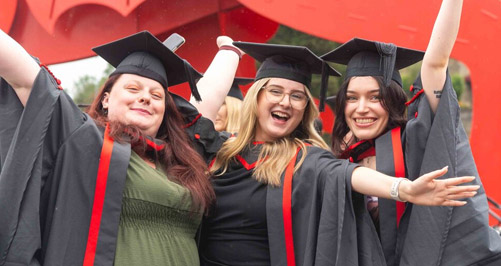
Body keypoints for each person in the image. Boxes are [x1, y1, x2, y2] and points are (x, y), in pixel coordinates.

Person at [190, 40, 478, 266]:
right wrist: (229, 52)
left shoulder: (303, 158)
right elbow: (194, 116)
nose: (286, 102)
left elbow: (349, 174)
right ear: (256, 97)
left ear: (305, 109)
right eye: (275, 91)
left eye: (297, 96)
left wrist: (404, 189)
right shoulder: (218, 151)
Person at [0, 30, 221, 265]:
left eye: (157, 95)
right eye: (133, 89)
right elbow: (28, 80)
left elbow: (208, 103)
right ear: (106, 99)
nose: (146, 98)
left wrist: (230, 51)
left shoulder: (182, 158)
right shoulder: (85, 139)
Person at [322, 0, 501, 265]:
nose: (361, 108)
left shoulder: (416, 139)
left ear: (393, 100)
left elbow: (436, 64)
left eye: (374, 97)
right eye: (351, 98)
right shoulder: (338, 159)